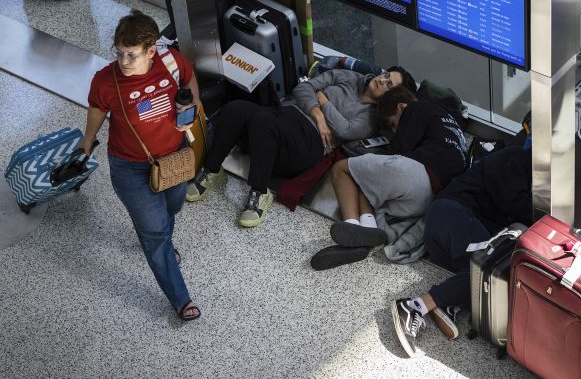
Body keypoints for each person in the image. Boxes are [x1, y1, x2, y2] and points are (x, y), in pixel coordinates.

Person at [81, 10, 202, 321]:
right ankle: (180, 299)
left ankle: (159, 241)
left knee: (173, 206)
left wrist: (193, 104)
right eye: (120, 53)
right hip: (130, 167)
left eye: (132, 55)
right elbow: (97, 109)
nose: (124, 61)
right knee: (156, 232)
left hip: (173, 157)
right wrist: (87, 141)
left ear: (151, 50)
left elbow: (189, 78)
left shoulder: (170, 61)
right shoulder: (106, 80)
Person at [187, 66, 416, 228]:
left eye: (389, 84)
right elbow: (304, 88)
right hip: (288, 114)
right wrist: (318, 114)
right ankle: (212, 170)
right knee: (236, 108)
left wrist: (323, 100)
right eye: (385, 75)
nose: (382, 80)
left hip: (309, 144)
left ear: (392, 95)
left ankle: (259, 192)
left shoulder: (372, 117)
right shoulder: (349, 76)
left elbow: (346, 130)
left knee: (262, 121)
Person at [390, 145, 533, 357]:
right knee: (485, 276)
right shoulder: (517, 158)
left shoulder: (525, 170)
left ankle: (447, 301)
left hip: (456, 236)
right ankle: (412, 307)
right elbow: (516, 205)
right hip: (453, 213)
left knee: (491, 281)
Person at [310, 86, 469, 270]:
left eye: (393, 124)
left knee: (340, 169)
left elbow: (398, 148)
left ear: (401, 106)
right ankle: (366, 233)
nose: (394, 130)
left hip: (415, 173)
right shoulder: (454, 127)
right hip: (428, 200)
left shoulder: (417, 108)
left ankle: (352, 224)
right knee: (367, 182)